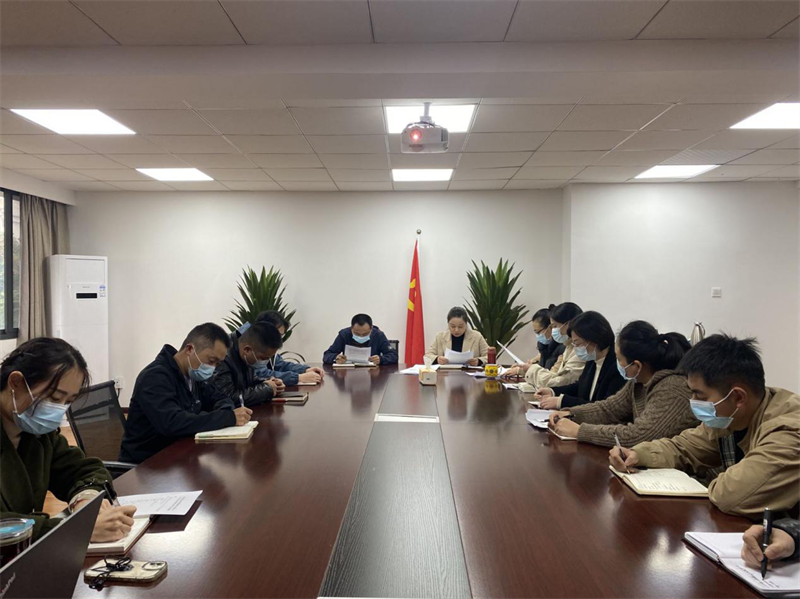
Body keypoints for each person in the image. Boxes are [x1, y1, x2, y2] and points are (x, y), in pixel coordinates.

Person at [609, 334, 800, 519]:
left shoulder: (789, 429)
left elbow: (732, 496)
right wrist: (637, 454)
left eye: (700, 395)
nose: (693, 401)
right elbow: (683, 447)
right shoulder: (729, 417)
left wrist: (710, 482)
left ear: (738, 397)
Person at [0, 338, 137, 543]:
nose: (58, 409)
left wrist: (85, 500)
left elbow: (82, 470)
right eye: (54, 398)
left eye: (68, 401)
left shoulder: (38, 433)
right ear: (16, 382)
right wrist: (74, 530)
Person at [548, 320, 697, 446]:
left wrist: (579, 431)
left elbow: (639, 435)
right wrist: (571, 414)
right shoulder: (638, 381)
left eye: (619, 359)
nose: (617, 363)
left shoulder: (673, 388)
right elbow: (609, 409)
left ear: (637, 365)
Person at [120, 323, 250, 464]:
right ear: (189, 349)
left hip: (181, 455)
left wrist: (225, 413)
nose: (212, 368)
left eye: (217, 364)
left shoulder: (193, 374)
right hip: (147, 464)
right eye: (211, 361)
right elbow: (172, 423)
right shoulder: (155, 377)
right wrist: (226, 417)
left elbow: (221, 398)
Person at [535, 311, 625, 410]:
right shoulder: (592, 358)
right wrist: (552, 391)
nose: (575, 348)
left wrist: (562, 402)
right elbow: (580, 387)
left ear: (594, 340)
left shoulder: (617, 366)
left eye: (577, 343)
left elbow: (603, 408)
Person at [510, 302, 585, 388]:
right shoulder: (568, 346)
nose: (553, 331)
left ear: (569, 324)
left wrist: (531, 369)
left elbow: (559, 381)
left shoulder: (580, 350)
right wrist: (525, 368)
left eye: (555, 326)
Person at [214, 321, 286, 407]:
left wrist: (272, 383)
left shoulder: (246, 355)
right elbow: (228, 398)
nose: (265, 362)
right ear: (247, 350)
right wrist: (267, 389)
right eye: (263, 358)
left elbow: (251, 381)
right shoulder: (222, 356)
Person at [247, 311, 324, 386]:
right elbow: (261, 374)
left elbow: (280, 365)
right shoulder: (251, 345)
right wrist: (299, 378)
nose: (279, 339)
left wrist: (305, 370)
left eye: (281, 335)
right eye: (277, 334)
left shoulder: (266, 345)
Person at [323, 314, 398, 365]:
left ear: (371, 329)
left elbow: (393, 355)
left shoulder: (378, 335)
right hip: (348, 373)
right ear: (351, 328)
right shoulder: (344, 335)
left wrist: (381, 359)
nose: (361, 336)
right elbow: (327, 355)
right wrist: (335, 358)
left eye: (365, 334)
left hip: (373, 374)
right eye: (357, 333)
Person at [424, 307, 489, 367]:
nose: (456, 330)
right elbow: (427, 356)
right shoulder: (440, 337)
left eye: (460, 326)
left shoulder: (477, 336)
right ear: (448, 324)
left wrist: (479, 361)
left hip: (470, 373)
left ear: (466, 324)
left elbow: (489, 356)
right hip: (445, 373)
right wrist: (437, 359)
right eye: (453, 326)